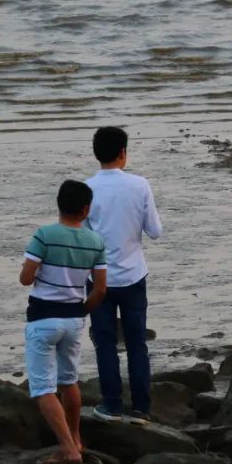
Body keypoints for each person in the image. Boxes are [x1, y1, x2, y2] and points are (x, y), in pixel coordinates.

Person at [19, 180, 107, 464]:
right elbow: (100, 290)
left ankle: (69, 450)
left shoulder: (44, 235)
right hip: (73, 319)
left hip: (43, 318)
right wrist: (82, 310)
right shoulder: (95, 241)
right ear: (86, 209)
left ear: (58, 203)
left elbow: (25, 279)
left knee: (43, 388)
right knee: (69, 381)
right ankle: (76, 438)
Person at [85, 126, 163, 422]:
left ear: (97, 154)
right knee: (136, 343)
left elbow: (84, 237)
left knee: (105, 343)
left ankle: (112, 405)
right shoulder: (139, 185)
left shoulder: (87, 188)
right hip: (133, 275)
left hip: (99, 278)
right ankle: (141, 408)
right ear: (123, 153)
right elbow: (155, 231)